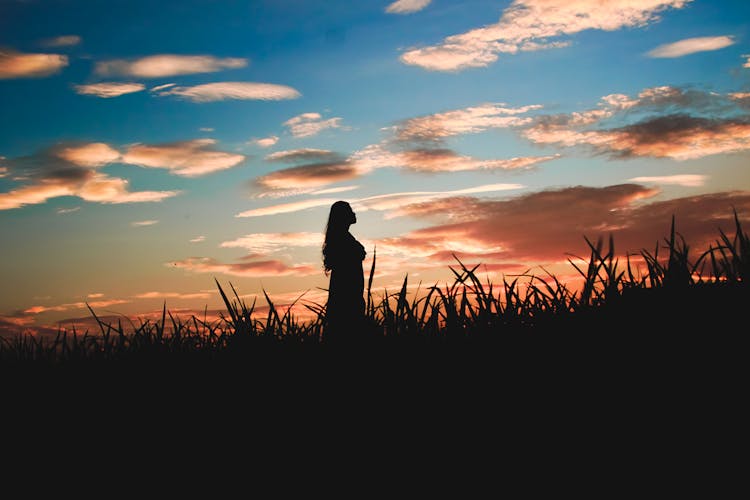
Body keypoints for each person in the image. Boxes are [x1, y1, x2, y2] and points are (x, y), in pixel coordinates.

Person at [322, 200, 366, 345]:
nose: (353, 213)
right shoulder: (341, 239)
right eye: (350, 210)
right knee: (346, 337)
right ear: (343, 216)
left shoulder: (342, 237)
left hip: (348, 296)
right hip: (347, 298)